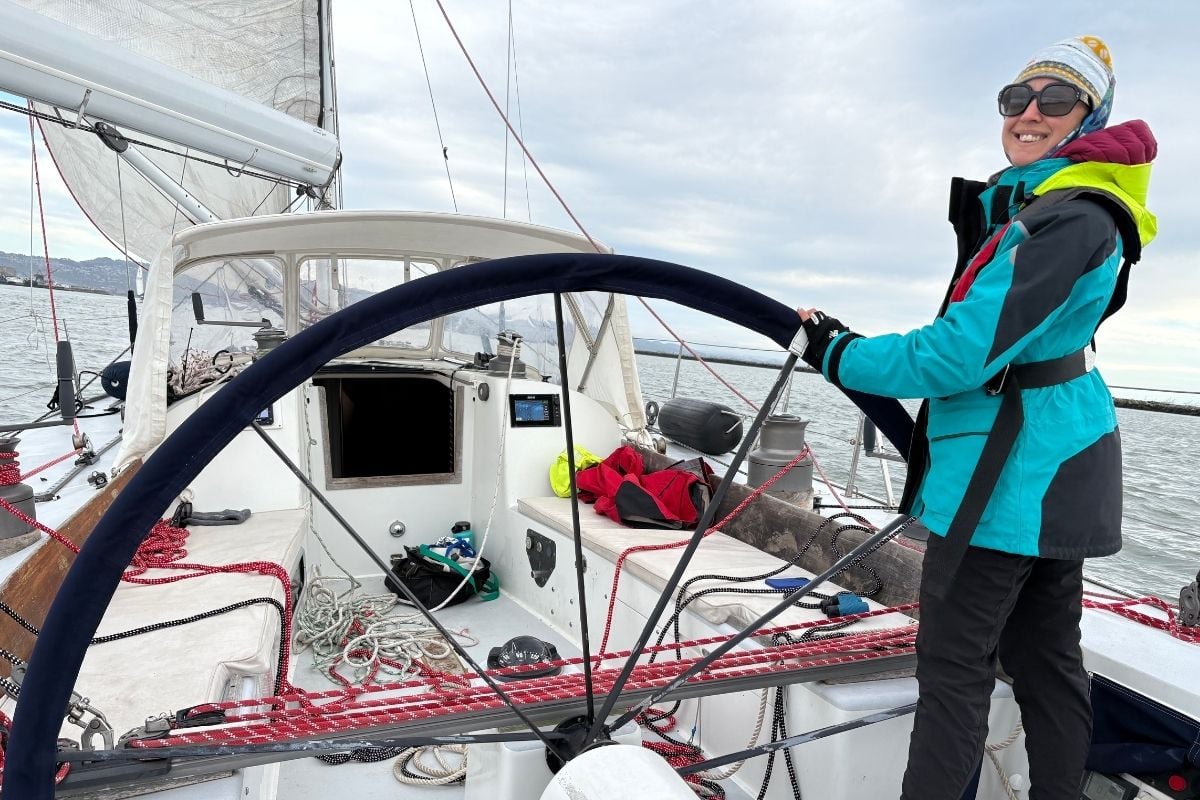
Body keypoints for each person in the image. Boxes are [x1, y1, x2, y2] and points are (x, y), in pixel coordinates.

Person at [796, 36, 1157, 800]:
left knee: (956, 675)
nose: (1029, 113)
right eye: (1015, 99)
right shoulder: (1068, 208)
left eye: (1054, 100)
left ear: (1090, 117)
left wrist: (837, 352)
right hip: (1056, 469)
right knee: (1046, 664)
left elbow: (960, 355)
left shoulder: (1070, 218)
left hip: (1010, 483)